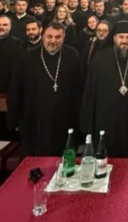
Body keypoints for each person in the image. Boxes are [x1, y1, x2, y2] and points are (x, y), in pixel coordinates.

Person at [8, 22, 84, 156]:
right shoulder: (27, 58)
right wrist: (14, 119)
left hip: (64, 120)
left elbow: (79, 90)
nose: (53, 41)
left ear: (63, 37)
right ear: (43, 36)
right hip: (34, 119)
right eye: (49, 37)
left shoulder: (72, 56)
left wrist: (79, 120)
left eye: (57, 37)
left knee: (63, 160)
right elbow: (16, 90)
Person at [80, 21, 128, 157]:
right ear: (114, 38)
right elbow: (90, 92)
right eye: (121, 37)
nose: (124, 41)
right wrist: (88, 122)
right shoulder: (99, 59)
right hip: (104, 121)